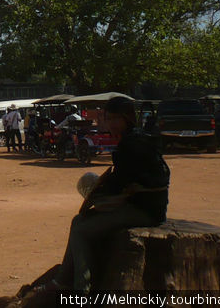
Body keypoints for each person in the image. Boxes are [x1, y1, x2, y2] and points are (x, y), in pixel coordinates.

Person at [47, 96, 170, 295]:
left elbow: (121, 185)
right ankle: (63, 280)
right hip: (146, 205)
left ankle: (82, 292)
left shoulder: (131, 145)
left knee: (81, 229)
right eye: (109, 118)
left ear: (128, 119)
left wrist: (99, 195)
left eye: (116, 119)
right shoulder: (137, 138)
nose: (111, 124)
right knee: (78, 221)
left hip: (144, 210)